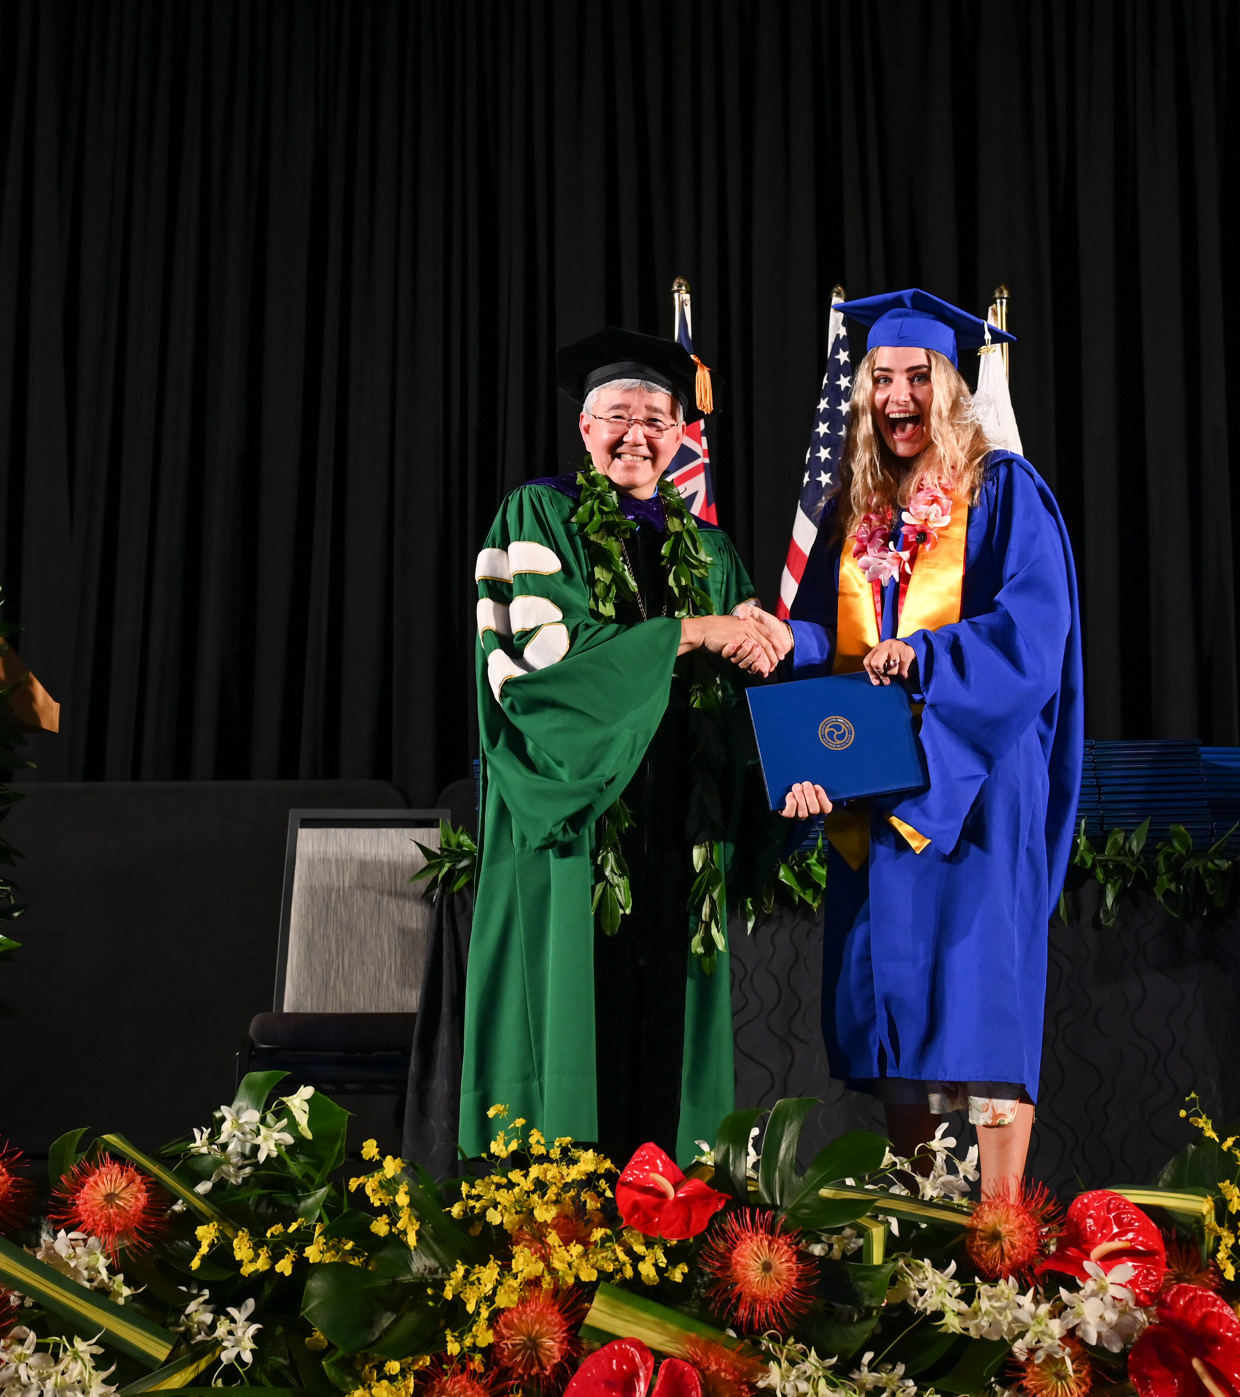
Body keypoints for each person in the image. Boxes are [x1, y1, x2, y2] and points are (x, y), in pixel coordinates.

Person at [736, 289, 1083, 1191]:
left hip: (976, 782)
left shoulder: (1005, 491)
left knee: (980, 991)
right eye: (879, 378)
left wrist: (925, 654)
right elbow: (838, 639)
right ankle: (919, 1238)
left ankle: (999, 1235)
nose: (897, 394)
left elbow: (1032, 634)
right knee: (905, 1004)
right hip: (885, 784)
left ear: (951, 387)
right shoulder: (866, 515)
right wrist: (785, 638)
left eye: (915, 376)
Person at [460, 327, 783, 1165]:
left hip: (678, 825)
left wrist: (759, 645)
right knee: (572, 1031)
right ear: (585, 428)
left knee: (663, 1043)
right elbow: (541, 667)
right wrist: (696, 631)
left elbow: (740, 675)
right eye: (617, 416)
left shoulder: (707, 549)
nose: (635, 434)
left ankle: (666, 1232)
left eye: (656, 419)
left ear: (681, 436)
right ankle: (551, 1243)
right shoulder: (537, 514)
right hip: (580, 820)